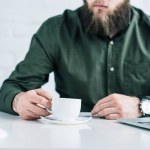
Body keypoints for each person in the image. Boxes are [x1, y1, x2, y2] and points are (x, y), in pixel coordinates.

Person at [0, 0, 150, 120]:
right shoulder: (56, 30)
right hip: (74, 137)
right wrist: (18, 100)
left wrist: (142, 106)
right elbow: (11, 88)